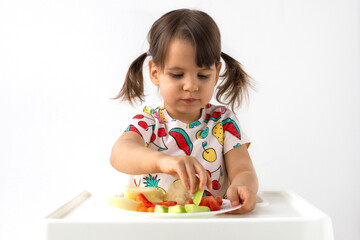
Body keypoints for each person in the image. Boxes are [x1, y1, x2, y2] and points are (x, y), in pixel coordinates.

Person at [110, 9, 258, 214]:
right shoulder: (149, 121)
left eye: (203, 75)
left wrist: (243, 186)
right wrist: (164, 162)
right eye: (178, 74)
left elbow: (243, 170)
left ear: (216, 74)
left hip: (209, 225)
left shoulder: (223, 122)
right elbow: (119, 154)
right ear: (155, 73)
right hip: (151, 226)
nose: (191, 85)